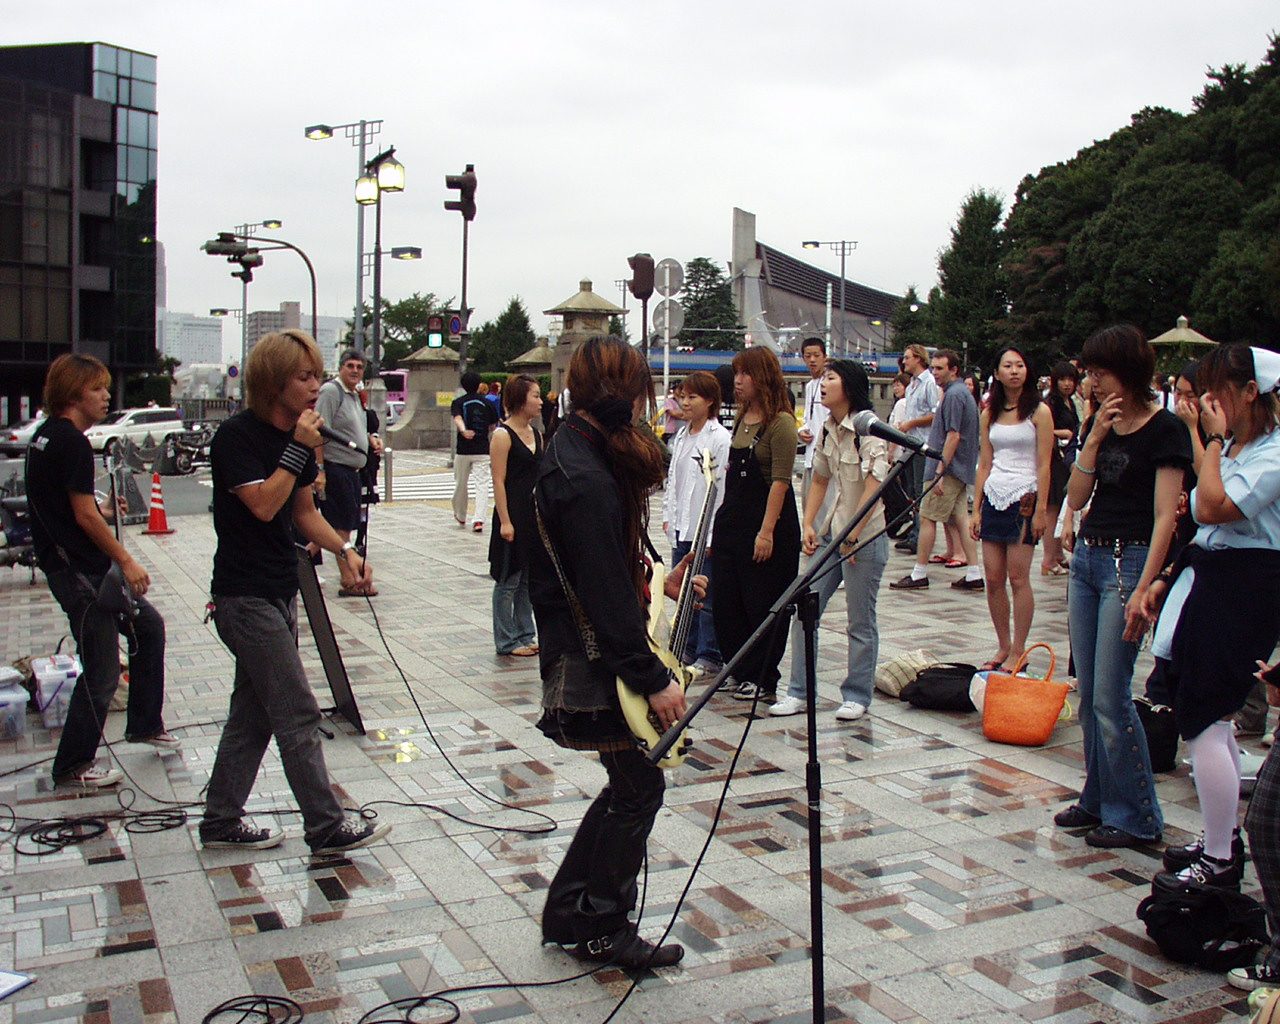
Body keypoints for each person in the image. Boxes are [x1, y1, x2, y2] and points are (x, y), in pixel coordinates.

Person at [529, 336, 690, 969]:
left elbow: (608, 576)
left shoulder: (578, 451)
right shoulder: (581, 472)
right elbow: (601, 594)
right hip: (593, 657)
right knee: (638, 785)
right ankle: (601, 923)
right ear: (621, 391)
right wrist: (653, 678)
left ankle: (573, 908)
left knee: (631, 783)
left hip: (591, 648)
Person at [200, 329, 390, 855]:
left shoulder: (301, 443)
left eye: (315, 375)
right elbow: (262, 504)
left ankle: (220, 819)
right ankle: (325, 826)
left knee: (253, 714)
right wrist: (296, 449)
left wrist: (345, 552)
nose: (314, 387)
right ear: (273, 382)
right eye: (303, 377)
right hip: (242, 595)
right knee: (297, 710)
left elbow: (304, 514)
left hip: (281, 590)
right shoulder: (238, 437)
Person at [1139, 345, 1280, 892]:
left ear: (1251, 392)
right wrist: (1164, 580)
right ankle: (1219, 837)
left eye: (1219, 389)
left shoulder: (1269, 452)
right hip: (1213, 578)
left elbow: (1217, 507)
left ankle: (1221, 859)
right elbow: (1201, 517)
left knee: (1205, 718)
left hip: (1246, 588)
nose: (1207, 402)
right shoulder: (1242, 449)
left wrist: (1214, 442)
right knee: (1203, 716)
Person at [1053, 324, 1190, 849]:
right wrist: (1094, 437)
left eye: (1099, 372)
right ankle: (1096, 796)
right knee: (1087, 694)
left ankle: (1137, 814)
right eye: (1089, 372)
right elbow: (1079, 492)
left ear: (1127, 372)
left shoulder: (1167, 430)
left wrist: (1148, 582)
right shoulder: (1099, 422)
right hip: (1088, 557)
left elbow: (1164, 518)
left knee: (1112, 695)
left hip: (1127, 562)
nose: (1091, 381)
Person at [25, 354, 175, 788]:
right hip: (82, 575)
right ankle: (72, 763)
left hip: (77, 567)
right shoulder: (71, 441)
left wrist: (104, 508)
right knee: (104, 668)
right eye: (97, 389)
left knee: (148, 628)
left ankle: (145, 722)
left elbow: (67, 505)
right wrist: (126, 559)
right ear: (74, 394)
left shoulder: (45, 438)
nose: (106, 395)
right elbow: (82, 517)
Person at [770, 360, 890, 722]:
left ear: (849, 386)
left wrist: (853, 532)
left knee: (859, 620)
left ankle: (856, 694)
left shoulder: (869, 428)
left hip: (865, 537)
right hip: (830, 534)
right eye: (822, 378)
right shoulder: (826, 428)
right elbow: (819, 478)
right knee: (805, 609)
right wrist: (808, 523)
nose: (822, 384)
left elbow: (875, 482)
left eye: (830, 378)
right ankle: (798, 691)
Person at [713, 347, 802, 705]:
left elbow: (780, 482)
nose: (737, 381)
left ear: (762, 377)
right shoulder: (740, 418)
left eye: (745, 374)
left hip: (767, 523)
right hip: (733, 521)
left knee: (759, 600)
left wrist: (765, 532)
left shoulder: (780, 423)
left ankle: (763, 678)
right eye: (736, 373)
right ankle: (738, 669)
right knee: (727, 601)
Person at [969, 347, 1053, 670]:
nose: (1015, 370)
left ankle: (1020, 648)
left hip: (1026, 497)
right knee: (993, 577)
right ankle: (1003, 645)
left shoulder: (1039, 412)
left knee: (1019, 577)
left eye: (1020, 365)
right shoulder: (989, 412)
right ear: (998, 372)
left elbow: (1044, 464)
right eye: (1008, 365)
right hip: (994, 494)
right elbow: (984, 463)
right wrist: (975, 509)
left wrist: (1042, 509)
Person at [891, 349, 982, 592]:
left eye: (940, 368)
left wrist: (940, 469)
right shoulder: (962, 393)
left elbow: (953, 435)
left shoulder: (953, 395)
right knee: (961, 518)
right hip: (958, 468)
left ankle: (919, 572)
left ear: (954, 370)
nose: (935, 373)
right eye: (933, 368)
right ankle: (974, 574)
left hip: (946, 468)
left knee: (927, 516)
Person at [661, 370, 730, 674]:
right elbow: (674, 480)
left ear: (710, 401)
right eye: (682, 396)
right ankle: (686, 646)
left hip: (706, 528)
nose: (684, 402)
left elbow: (721, 490)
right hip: (682, 525)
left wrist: (713, 534)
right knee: (683, 589)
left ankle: (710, 652)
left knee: (705, 592)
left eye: (692, 397)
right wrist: (669, 517)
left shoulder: (719, 438)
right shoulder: (681, 435)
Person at [314, 349, 380, 596]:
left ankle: (303, 560)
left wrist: (371, 439)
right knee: (340, 525)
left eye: (359, 367)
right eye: (350, 366)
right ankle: (348, 580)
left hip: (353, 469)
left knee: (343, 525)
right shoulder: (332, 392)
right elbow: (319, 430)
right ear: (341, 367)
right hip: (336, 467)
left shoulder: (354, 395)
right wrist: (320, 469)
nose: (354, 370)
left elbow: (355, 428)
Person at [489, 374, 543, 658]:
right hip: (512, 515)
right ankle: (506, 639)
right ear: (521, 399)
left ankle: (525, 633)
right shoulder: (502, 435)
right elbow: (498, 480)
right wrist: (505, 520)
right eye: (535, 395)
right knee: (508, 579)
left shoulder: (537, 433)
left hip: (533, 516)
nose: (541, 400)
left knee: (526, 580)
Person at [894, 344, 940, 554]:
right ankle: (915, 532)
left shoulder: (928, 383)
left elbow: (934, 414)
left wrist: (911, 423)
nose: (904, 362)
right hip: (910, 444)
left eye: (907, 358)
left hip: (922, 443)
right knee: (911, 490)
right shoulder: (912, 384)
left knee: (921, 491)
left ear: (918, 359)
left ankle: (921, 536)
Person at [452, 371, 500, 533]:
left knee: (460, 483)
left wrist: (464, 431)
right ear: (479, 384)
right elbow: (493, 426)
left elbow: (457, 418)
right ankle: (479, 519)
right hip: (482, 449)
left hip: (463, 450)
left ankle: (460, 514)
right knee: (482, 484)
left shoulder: (458, 402)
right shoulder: (488, 403)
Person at [797, 337, 830, 509]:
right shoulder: (809, 386)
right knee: (808, 506)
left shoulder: (830, 385)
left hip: (826, 457)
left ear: (825, 357)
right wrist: (802, 431)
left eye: (816, 355)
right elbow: (808, 419)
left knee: (823, 509)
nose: (812, 360)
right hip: (810, 456)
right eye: (808, 355)